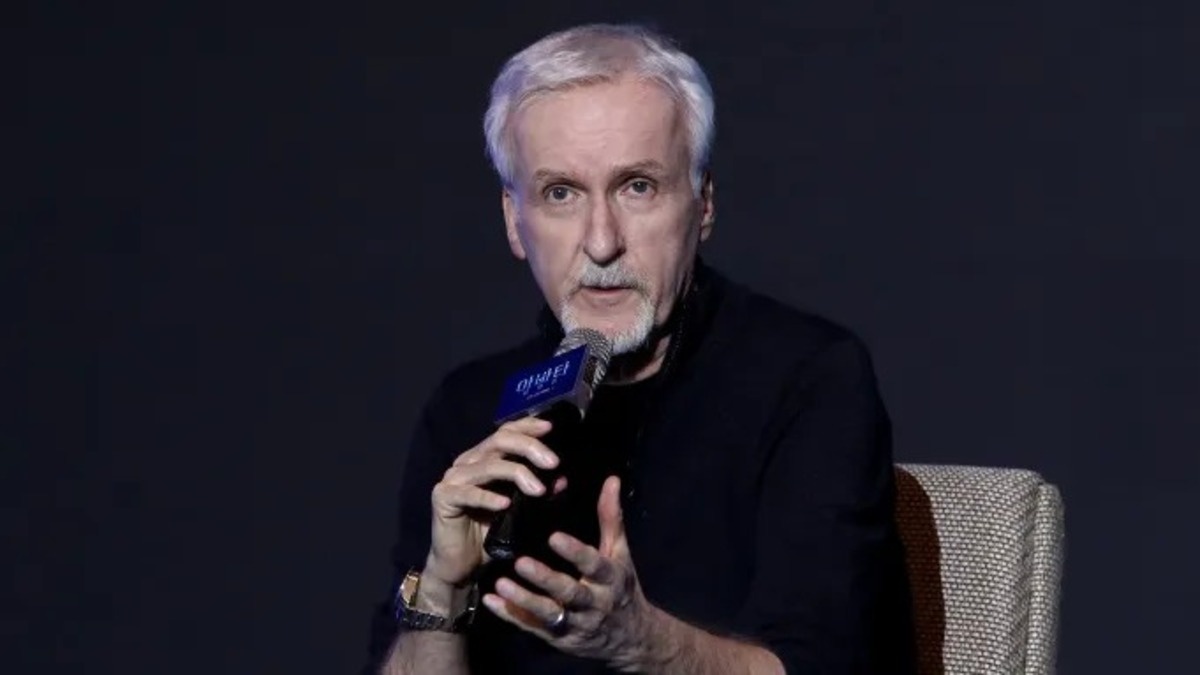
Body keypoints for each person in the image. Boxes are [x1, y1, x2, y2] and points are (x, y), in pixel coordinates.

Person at [362, 23, 916, 675]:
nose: (602, 243)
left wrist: (644, 644)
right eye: (561, 193)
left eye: (637, 186)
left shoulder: (808, 379)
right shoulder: (468, 407)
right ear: (515, 222)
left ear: (702, 204)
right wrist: (442, 588)